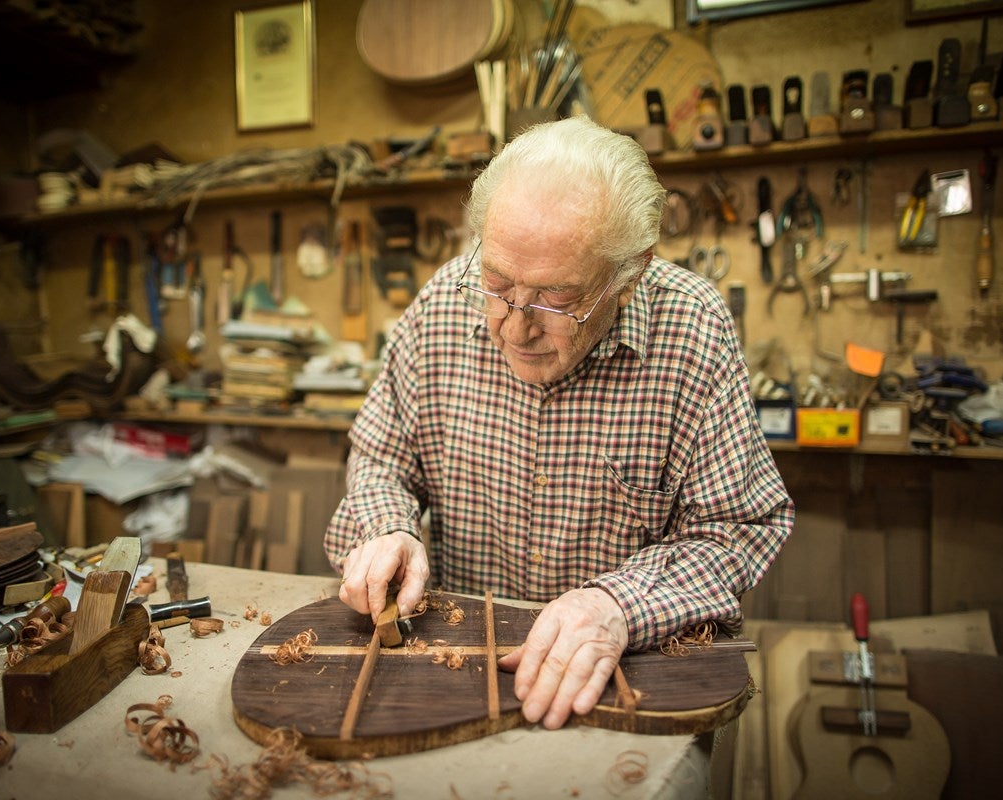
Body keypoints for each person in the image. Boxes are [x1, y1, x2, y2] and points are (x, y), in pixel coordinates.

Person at [324, 115, 793, 730]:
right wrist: (388, 529)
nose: (515, 327)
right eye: (497, 283)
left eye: (557, 298)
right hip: (460, 670)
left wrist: (619, 605)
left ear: (628, 276)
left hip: (623, 681)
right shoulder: (441, 306)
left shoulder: (692, 328)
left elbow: (736, 528)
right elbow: (381, 460)